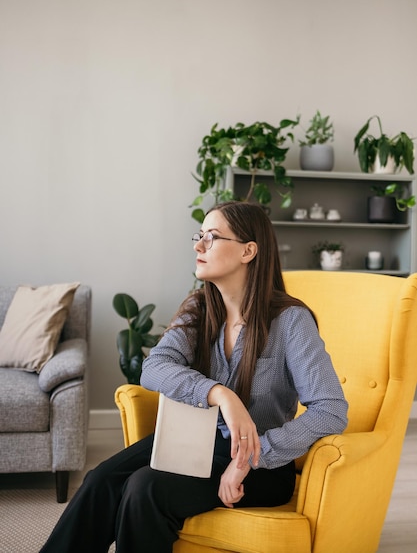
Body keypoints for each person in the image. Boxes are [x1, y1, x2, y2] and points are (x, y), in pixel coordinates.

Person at [40, 201, 348, 553]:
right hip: (193, 446)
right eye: (199, 236)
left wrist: (247, 459)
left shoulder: (291, 322)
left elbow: (331, 409)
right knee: (100, 481)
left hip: (264, 467)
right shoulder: (200, 309)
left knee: (145, 488)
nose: (198, 246)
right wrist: (219, 393)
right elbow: (153, 368)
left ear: (248, 251)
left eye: (212, 238)